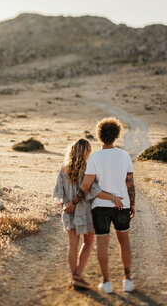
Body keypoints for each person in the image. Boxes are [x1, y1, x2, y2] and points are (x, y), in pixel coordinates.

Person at [64, 118, 136, 293]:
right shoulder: (124, 155)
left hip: (100, 208)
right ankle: (127, 280)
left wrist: (73, 202)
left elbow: (86, 186)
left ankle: (106, 283)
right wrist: (132, 204)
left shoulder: (95, 157)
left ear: (99, 135)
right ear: (117, 135)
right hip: (123, 205)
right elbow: (130, 184)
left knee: (102, 243)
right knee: (124, 242)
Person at [53, 138, 122, 290]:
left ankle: (75, 277)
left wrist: (65, 206)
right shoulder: (88, 169)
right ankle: (78, 275)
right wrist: (114, 198)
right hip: (85, 212)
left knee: (72, 244)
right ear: (86, 153)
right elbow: (95, 191)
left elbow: (59, 192)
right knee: (88, 243)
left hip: (68, 210)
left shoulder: (63, 168)